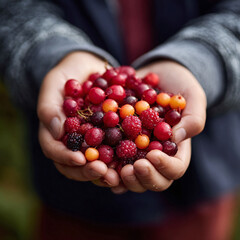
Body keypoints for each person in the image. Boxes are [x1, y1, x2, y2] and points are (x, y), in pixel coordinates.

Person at [0, 0, 240, 239]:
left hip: (200, 189)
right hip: (76, 205)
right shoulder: (97, 115)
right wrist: (49, 54)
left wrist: (203, 62)